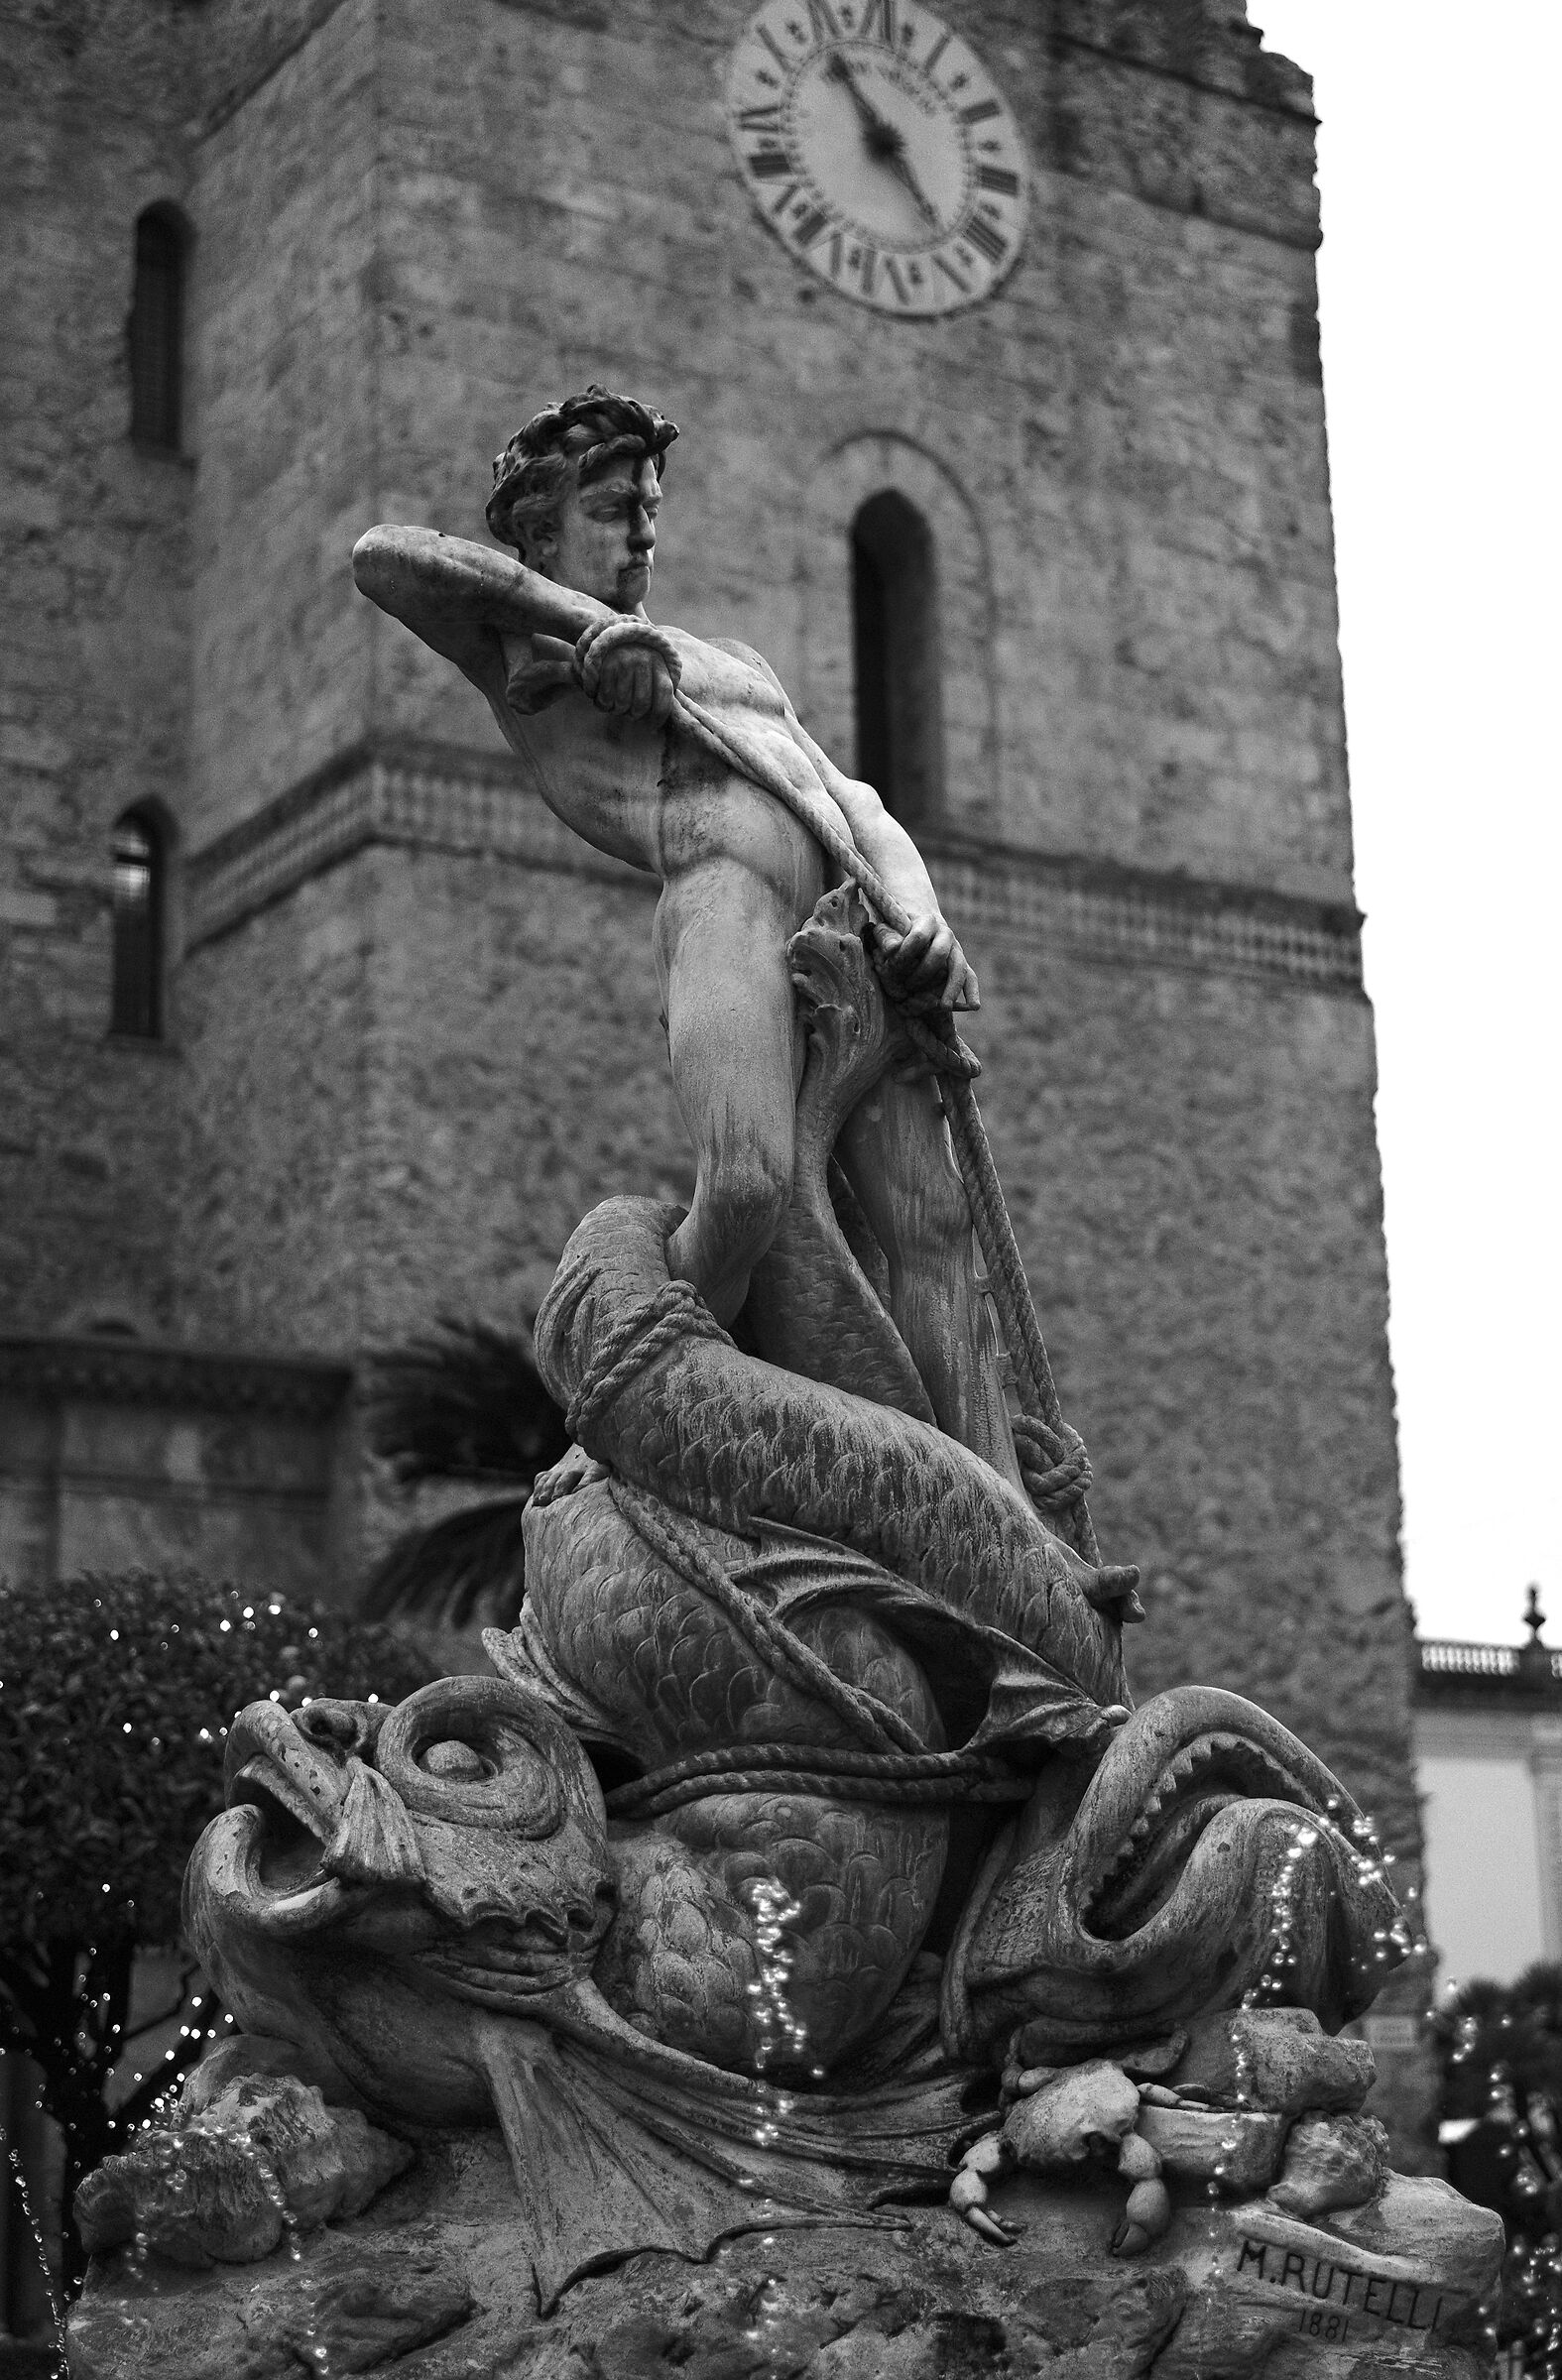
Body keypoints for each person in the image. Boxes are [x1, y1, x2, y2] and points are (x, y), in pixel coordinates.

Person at [414, 386, 1021, 1488]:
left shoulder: (730, 660)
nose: (643, 529)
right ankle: (644, 1420)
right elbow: (389, 561)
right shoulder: (528, 659)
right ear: (542, 530)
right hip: (729, 907)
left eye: (650, 505)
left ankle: (1001, 1516)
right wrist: (580, 625)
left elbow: (859, 802)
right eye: (610, 508)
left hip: (859, 937)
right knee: (745, 1189)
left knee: (935, 1235)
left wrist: (920, 914)